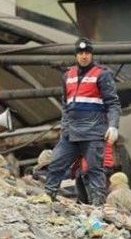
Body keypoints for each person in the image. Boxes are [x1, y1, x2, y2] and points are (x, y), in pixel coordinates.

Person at [44, 38, 121, 205]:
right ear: (76, 56)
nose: (84, 56)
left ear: (91, 55)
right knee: (56, 164)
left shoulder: (101, 75)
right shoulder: (68, 76)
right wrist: (64, 128)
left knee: (94, 170)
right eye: (80, 53)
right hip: (71, 133)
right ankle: (47, 198)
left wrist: (113, 126)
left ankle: (97, 206)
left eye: (87, 53)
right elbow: (66, 106)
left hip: (93, 133)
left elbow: (113, 104)